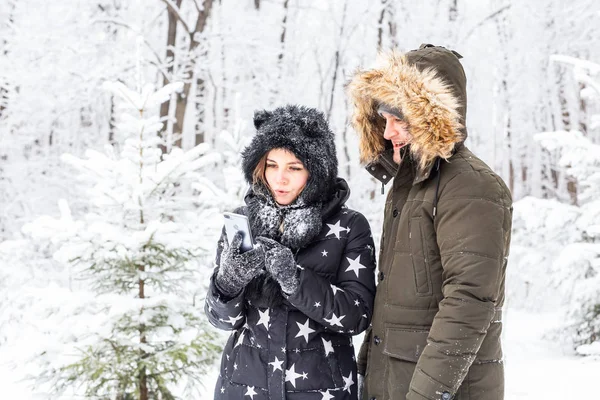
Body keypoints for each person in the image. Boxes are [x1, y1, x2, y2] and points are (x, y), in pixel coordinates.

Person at [346, 44, 513, 400]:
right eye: (384, 119)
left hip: (441, 389)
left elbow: (469, 301)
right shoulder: (408, 186)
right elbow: (396, 300)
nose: (388, 132)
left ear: (432, 116)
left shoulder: (471, 185)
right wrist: (365, 370)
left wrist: (425, 395)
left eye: (399, 119)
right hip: (395, 380)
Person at [205, 105, 377, 400]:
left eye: (294, 167)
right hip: (243, 388)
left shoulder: (348, 226)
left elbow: (357, 316)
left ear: (316, 170)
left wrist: (296, 281)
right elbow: (221, 321)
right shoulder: (243, 221)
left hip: (321, 391)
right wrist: (227, 285)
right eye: (272, 165)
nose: (279, 179)